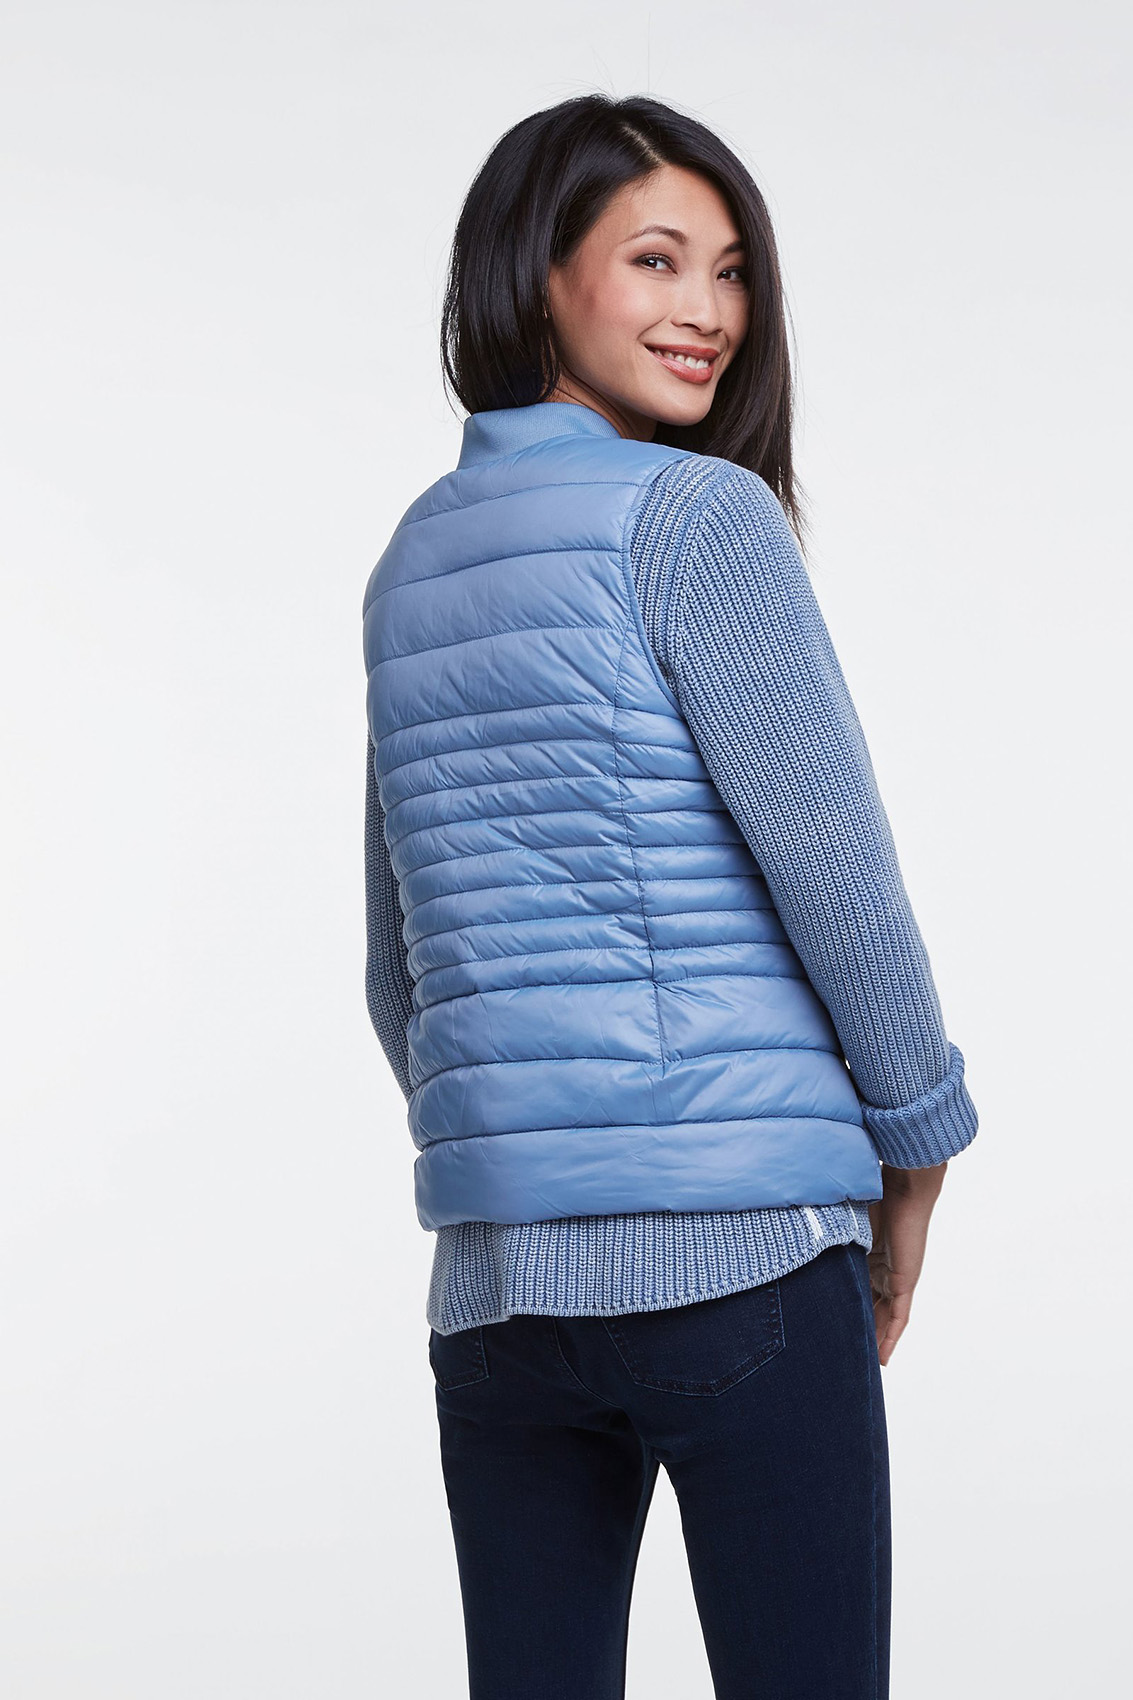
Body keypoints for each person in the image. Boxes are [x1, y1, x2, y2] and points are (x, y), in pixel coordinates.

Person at [361, 93, 979, 1700]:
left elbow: (399, 971)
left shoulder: (415, 558)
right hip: (742, 1257)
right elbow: (839, 879)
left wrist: (528, 1144)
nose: (706, 309)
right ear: (537, 272)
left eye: (729, 270)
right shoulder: (696, 518)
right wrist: (916, 1145)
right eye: (654, 260)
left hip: (495, 1298)